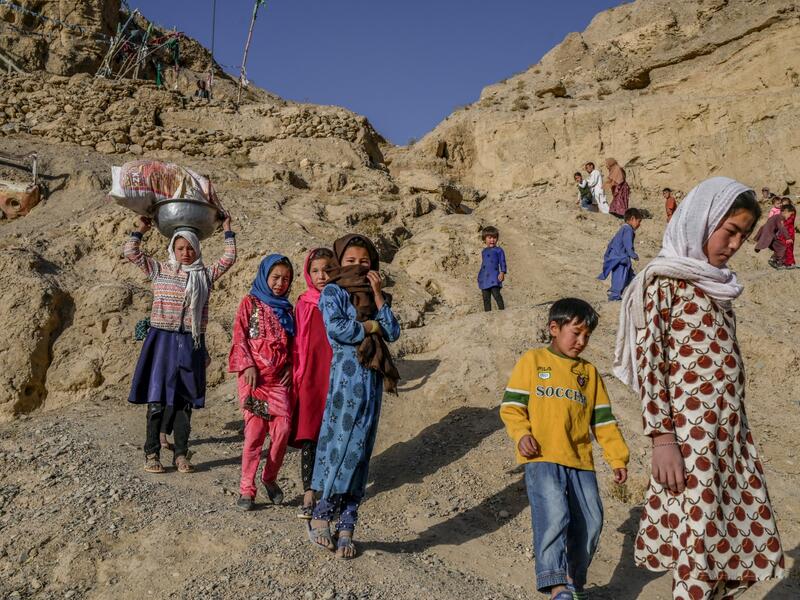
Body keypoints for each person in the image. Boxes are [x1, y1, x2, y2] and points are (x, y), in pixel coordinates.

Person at [613, 177, 785, 600]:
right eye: (729, 231)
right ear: (700, 220)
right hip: (689, 441)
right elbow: (652, 364)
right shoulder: (665, 280)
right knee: (699, 545)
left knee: (732, 544)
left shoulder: (715, 285)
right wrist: (662, 438)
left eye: (743, 236)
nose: (735, 244)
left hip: (729, 438)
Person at [501, 298, 629, 600]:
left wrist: (617, 458)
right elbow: (512, 407)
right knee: (554, 515)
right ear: (554, 328)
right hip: (542, 456)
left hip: (581, 461)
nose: (582, 341)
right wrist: (521, 435)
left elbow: (603, 421)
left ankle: (572, 579)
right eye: (576, 333)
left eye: (587, 335)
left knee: (592, 520)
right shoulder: (533, 361)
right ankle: (556, 583)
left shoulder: (589, 374)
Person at [308, 234, 401, 559]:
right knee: (341, 443)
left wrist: (377, 297)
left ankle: (347, 524)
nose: (358, 266)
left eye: (365, 262)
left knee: (361, 450)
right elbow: (339, 329)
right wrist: (372, 327)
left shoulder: (378, 296)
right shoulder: (332, 292)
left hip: (372, 383)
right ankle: (322, 514)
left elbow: (393, 331)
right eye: (351, 261)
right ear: (339, 262)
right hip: (346, 381)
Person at [125, 214, 236, 474]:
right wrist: (141, 229)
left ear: (197, 249)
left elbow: (229, 259)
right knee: (156, 399)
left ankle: (181, 453)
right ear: (173, 249)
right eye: (180, 248)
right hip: (161, 341)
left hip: (190, 340)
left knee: (184, 400)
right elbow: (130, 251)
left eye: (190, 248)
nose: (185, 253)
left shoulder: (204, 276)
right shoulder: (159, 270)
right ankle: (152, 453)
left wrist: (227, 231)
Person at [229, 254, 295, 511]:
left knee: (283, 430)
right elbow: (239, 335)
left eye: (285, 279)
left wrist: (290, 365)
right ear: (264, 276)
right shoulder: (250, 302)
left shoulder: (287, 310)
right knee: (255, 435)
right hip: (254, 379)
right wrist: (247, 365)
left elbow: (293, 345)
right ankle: (247, 489)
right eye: (275, 277)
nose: (280, 283)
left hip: (278, 381)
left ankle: (270, 477)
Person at [290, 248, 335, 519]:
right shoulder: (304, 303)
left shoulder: (342, 299)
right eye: (315, 270)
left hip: (335, 374)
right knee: (309, 433)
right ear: (308, 273)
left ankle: (329, 489)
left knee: (331, 431)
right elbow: (296, 341)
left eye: (327, 269)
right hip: (309, 375)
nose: (321, 276)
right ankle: (309, 491)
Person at [598, 208, 643, 301]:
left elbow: (612, 243)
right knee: (620, 277)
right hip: (621, 259)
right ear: (632, 218)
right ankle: (614, 295)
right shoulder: (628, 230)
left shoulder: (623, 229)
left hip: (617, 257)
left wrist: (608, 255)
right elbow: (627, 244)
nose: (639, 224)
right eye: (639, 221)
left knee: (631, 277)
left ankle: (636, 294)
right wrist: (633, 254)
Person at [477, 225, 507, 311]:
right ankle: (488, 315)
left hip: (494, 276)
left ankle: (502, 311)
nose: (492, 240)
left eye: (494, 238)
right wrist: (479, 277)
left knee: (496, 294)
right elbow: (483, 265)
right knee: (486, 298)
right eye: (489, 238)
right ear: (484, 239)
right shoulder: (484, 251)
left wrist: (502, 272)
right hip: (484, 278)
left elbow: (502, 262)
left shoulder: (499, 250)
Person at [754, 204, 792, 268]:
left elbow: (763, 227)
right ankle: (778, 262)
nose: (789, 217)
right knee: (782, 247)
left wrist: (757, 237)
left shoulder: (776, 217)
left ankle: (774, 260)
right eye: (790, 214)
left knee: (778, 247)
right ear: (785, 211)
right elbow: (782, 228)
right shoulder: (780, 217)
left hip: (769, 235)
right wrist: (788, 238)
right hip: (769, 235)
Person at [775, 204, 796, 268]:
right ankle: (782, 262)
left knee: (788, 248)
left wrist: (782, 223)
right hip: (784, 234)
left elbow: (787, 223)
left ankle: (789, 262)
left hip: (789, 234)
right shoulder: (783, 216)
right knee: (783, 248)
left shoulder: (791, 214)